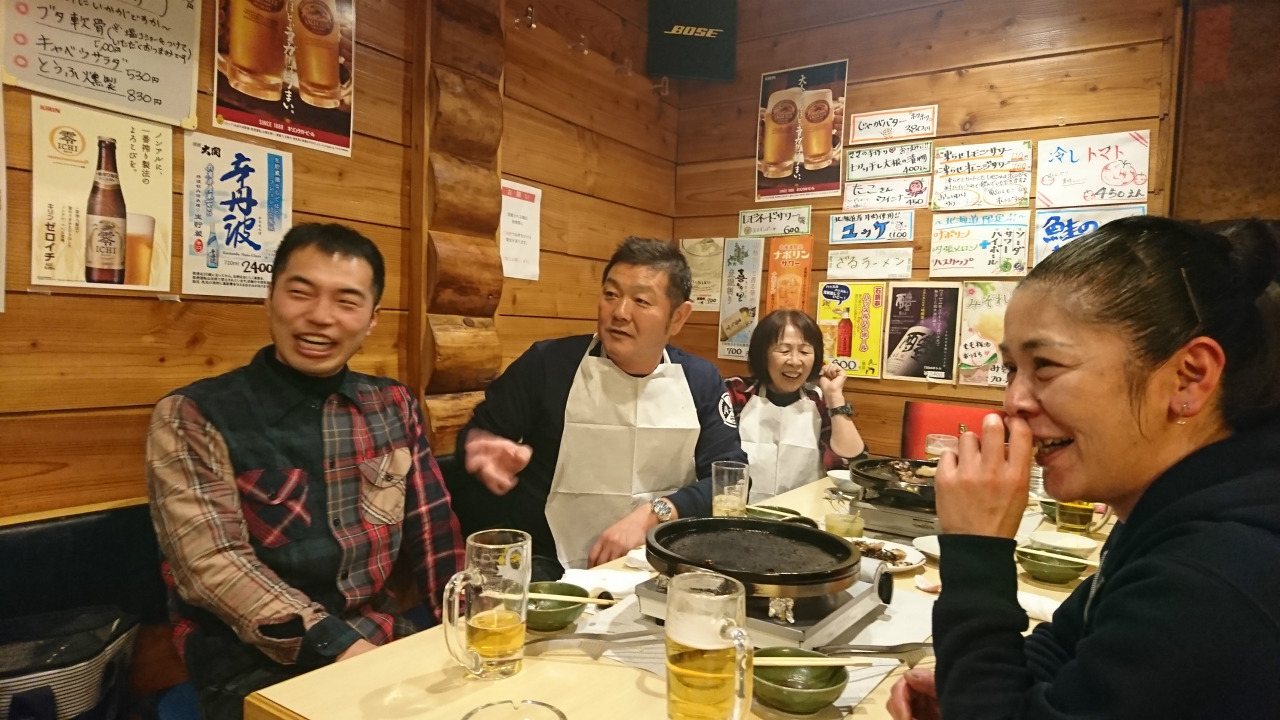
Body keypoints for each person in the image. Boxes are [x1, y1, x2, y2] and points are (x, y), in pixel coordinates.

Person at [887, 216, 1280, 719]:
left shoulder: (1215, 575)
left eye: (1046, 365)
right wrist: (973, 686)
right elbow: (1070, 645)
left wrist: (976, 550)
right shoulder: (1174, 508)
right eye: (1011, 370)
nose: (1013, 402)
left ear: (1189, 377)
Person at [146, 224, 463, 719]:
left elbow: (433, 529)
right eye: (301, 292)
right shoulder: (194, 414)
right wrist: (338, 645)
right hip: (249, 662)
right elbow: (212, 565)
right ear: (270, 298)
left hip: (377, 637)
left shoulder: (392, 404)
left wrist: (466, 623)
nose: (320, 316)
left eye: (346, 301)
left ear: (371, 320)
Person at [458, 237, 748, 576]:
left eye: (641, 301)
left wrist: (654, 514)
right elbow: (478, 437)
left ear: (677, 318)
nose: (619, 312)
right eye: (611, 294)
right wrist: (480, 451)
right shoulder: (547, 364)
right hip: (549, 566)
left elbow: (731, 480)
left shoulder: (700, 381)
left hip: (659, 559)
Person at [723, 309, 866, 502]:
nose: (795, 361)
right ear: (762, 354)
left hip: (803, 514)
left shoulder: (819, 400)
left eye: (805, 351)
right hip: (737, 512)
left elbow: (850, 465)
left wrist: (834, 396)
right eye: (784, 351)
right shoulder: (736, 393)